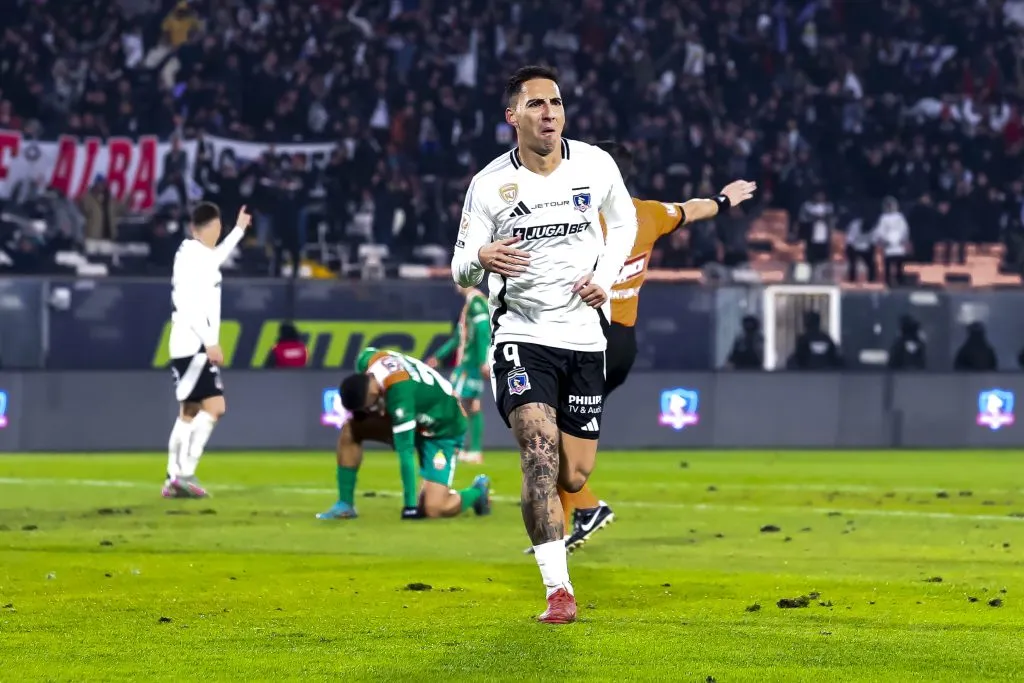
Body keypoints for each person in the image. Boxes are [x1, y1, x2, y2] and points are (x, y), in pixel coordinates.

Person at [451, 65, 639, 624]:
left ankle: (555, 509)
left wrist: (605, 276)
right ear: (513, 117)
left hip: (584, 336)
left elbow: (623, 223)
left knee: (574, 475)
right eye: (536, 104)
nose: (549, 112)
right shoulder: (489, 186)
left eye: (555, 102)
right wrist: (481, 258)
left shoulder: (595, 165)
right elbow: (460, 267)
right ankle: (559, 591)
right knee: (538, 452)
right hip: (521, 333)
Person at [545, 140, 757, 555]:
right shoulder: (649, 213)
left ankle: (585, 509)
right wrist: (724, 199)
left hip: (589, 342)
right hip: (621, 344)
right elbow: (691, 209)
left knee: (549, 434)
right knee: (552, 434)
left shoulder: (576, 220)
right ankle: (568, 525)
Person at [323, 348, 492, 520]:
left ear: (373, 394)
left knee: (434, 508)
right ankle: (345, 505)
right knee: (351, 429)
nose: (368, 410)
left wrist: (410, 507)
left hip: (442, 431)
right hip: (415, 416)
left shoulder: (400, 392)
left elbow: (406, 452)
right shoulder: (366, 362)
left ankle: (477, 492)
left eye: (367, 405)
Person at [163, 203, 250, 498]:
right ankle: (184, 474)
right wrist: (209, 341)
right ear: (213, 228)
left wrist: (239, 229)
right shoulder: (196, 257)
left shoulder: (193, 254)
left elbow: (217, 257)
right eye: (220, 227)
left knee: (189, 411)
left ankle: (174, 478)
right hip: (193, 343)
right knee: (215, 408)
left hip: (185, 342)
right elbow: (189, 304)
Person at [426, 284, 491, 464]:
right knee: (471, 405)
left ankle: (456, 446)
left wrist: (484, 361)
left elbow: (484, 332)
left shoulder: (477, 303)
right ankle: (473, 451)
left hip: (469, 364)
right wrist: (438, 357)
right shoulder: (471, 303)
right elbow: (458, 338)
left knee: (454, 400)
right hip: (469, 363)